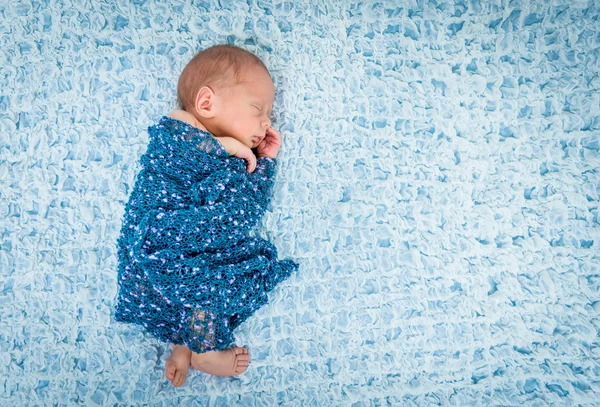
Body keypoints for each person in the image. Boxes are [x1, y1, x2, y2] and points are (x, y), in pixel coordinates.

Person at [113, 44, 299, 388]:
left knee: (209, 273)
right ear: (206, 103)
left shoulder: (233, 162)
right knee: (204, 272)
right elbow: (176, 142)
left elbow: (248, 204)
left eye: (269, 113)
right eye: (257, 108)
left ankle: (186, 345)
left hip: (189, 248)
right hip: (159, 237)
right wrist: (225, 146)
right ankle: (203, 346)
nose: (266, 122)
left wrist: (266, 163)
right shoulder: (178, 130)